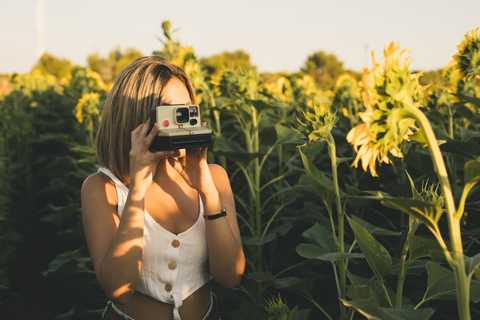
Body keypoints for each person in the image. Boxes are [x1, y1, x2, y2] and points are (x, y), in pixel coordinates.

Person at [81, 56, 245, 320]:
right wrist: (137, 192)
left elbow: (230, 277)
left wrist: (208, 193)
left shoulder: (215, 177)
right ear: (138, 117)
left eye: (189, 110)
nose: (185, 122)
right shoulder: (102, 188)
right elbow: (119, 290)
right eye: (172, 111)